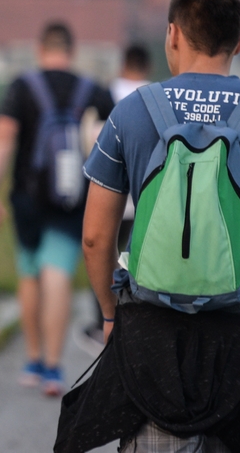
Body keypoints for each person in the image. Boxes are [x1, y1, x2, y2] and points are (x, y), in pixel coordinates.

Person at [57, 0, 240, 453]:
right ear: (238, 42)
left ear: (173, 35)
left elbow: (97, 237)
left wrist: (109, 313)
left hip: (151, 333)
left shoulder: (131, 112)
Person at [0, 22, 115, 397]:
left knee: (30, 271)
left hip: (27, 197)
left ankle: (34, 359)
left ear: (41, 49)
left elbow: (3, 139)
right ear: (72, 50)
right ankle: (54, 367)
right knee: (58, 274)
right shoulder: (95, 91)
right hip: (73, 200)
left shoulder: (23, 87)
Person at [81, 42, 154, 351]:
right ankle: (141, 319)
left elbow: (90, 143)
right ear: (147, 66)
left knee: (104, 253)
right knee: (141, 261)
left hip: (110, 194)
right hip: (148, 198)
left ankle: (104, 319)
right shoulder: (158, 96)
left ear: (123, 64)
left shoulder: (103, 95)